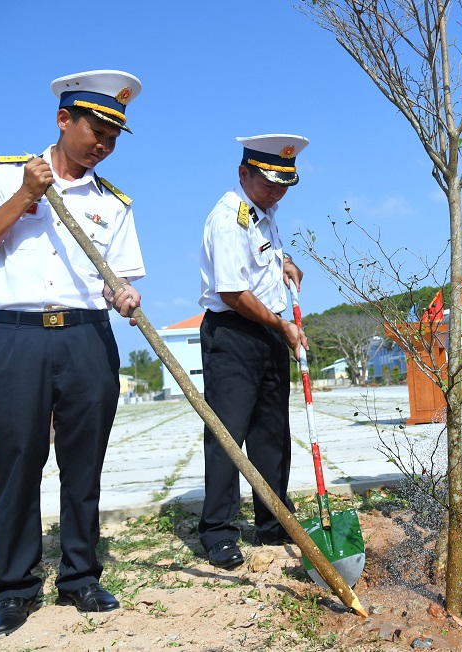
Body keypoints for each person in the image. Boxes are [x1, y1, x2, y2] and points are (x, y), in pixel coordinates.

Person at [0, 70, 145, 637]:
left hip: (87, 337)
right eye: (97, 130)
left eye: (115, 137)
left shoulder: (112, 203)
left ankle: (80, 575)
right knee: (17, 462)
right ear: (64, 120)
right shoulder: (4, 174)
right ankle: (14, 588)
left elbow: (124, 277)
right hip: (17, 335)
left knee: (83, 461)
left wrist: (126, 294)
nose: (105, 146)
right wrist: (25, 195)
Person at [198, 134, 309, 569]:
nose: (277, 192)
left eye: (284, 184)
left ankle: (272, 517)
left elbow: (258, 262)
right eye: (269, 183)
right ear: (243, 173)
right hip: (234, 334)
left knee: (271, 433)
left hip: (268, 331)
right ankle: (218, 531)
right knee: (228, 436)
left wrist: (284, 263)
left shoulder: (265, 213)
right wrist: (280, 324)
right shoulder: (229, 218)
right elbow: (231, 291)